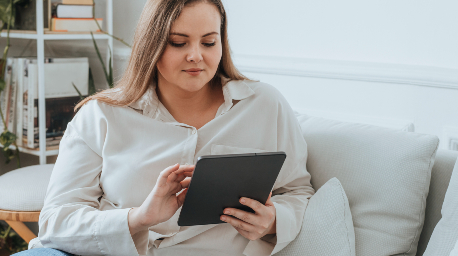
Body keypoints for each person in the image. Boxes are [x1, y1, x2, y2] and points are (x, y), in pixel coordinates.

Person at [15, 0, 314, 255]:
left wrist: (274, 221)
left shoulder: (264, 104)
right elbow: (55, 221)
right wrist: (138, 218)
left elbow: (298, 190)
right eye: (178, 42)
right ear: (152, 45)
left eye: (209, 42)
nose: (196, 55)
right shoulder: (102, 115)